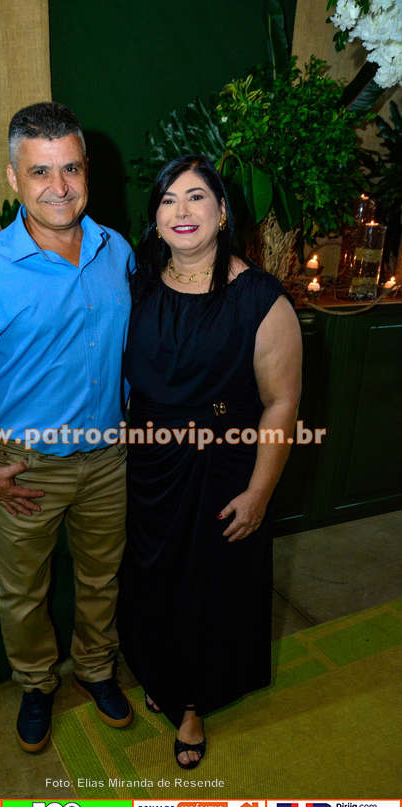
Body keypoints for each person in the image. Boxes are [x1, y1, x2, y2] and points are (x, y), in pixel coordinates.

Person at [0, 101, 133, 753]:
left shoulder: (116, 251)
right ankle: (36, 684)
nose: (59, 187)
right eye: (41, 171)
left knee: (102, 578)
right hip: (24, 465)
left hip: (108, 457)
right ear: (14, 178)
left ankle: (96, 669)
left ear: (86, 170)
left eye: (70, 168)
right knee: (23, 592)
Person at [118, 153, 302, 769]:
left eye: (196, 196)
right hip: (148, 465)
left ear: (222, 211)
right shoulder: (139, 281)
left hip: (222, 467)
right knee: (154, 579)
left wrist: (259, 493)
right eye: (168, 199)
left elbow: (281, 404)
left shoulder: (261, 299)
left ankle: (192, 703)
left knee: (206, 588)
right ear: (155, 217)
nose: (182, 211)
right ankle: (159, 671)